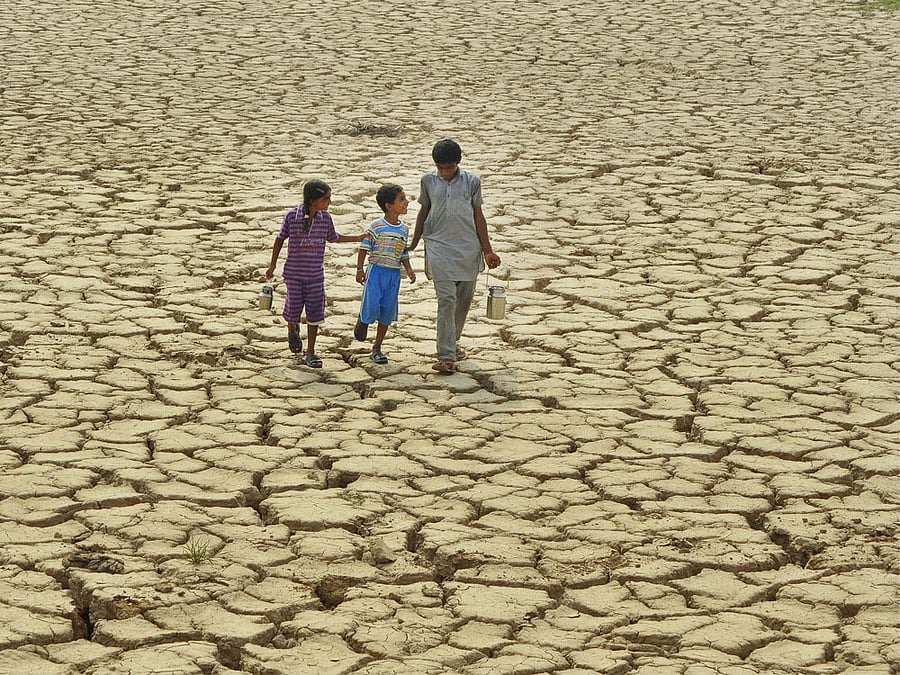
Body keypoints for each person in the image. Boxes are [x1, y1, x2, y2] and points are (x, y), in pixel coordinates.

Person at [409, 139, 501, 373]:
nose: (444, 172)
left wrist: (487, 249)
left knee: (463, 301)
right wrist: (414, 241)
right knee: (447, 300)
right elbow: (424, 210)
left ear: (457, 163)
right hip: (439, 246)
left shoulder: (472, 182)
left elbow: (478, 216)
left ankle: (452, 341)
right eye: (440, 167)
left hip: (468, 248)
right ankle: (446, 355)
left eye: (448, 167)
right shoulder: (428, 181)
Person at [265, 180, 364, 368]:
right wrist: (272, 266)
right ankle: (292, 329)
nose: (329, 202)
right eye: (326, 199)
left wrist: (357, 238)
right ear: (313, 200)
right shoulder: (292, 217)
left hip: (315, 276)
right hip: (294, 274)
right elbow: (279, 240)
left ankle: (310, 352)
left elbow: (334, 238)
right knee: (293, 309)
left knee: (314, 313)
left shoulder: (325, 218)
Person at [353, 185, 417, 364]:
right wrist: (360, 269)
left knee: (387, 310)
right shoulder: (377, 226)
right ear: (389, 206)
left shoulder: (404, 229)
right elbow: (364, 247)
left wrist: (409, 269)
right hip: (376, 271)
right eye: (402, 199)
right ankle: (363, 319)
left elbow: (402, 251)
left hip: (393, 274)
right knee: (372, 304)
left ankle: (377, 347)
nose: (406, 202)